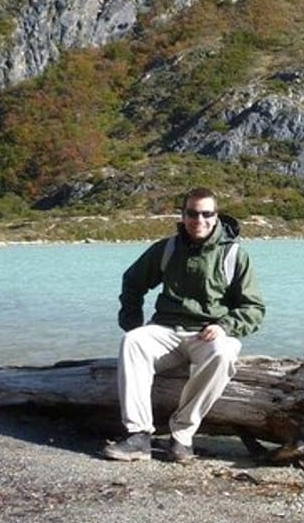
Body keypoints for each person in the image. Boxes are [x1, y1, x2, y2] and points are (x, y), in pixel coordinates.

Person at [103, 187, 265, 462]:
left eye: (206, 214)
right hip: (165, 330)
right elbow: (132, 282)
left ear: (216, 216)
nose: (198, 220)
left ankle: (182, 435)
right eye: (192, 213)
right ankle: (138, 435)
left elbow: (254, 308)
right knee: (133, 342)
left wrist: (226, 325)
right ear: (183, 214)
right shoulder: (165, 249)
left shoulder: (234, 255)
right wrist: (132, 323)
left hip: (208, 334)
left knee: (224, 353)